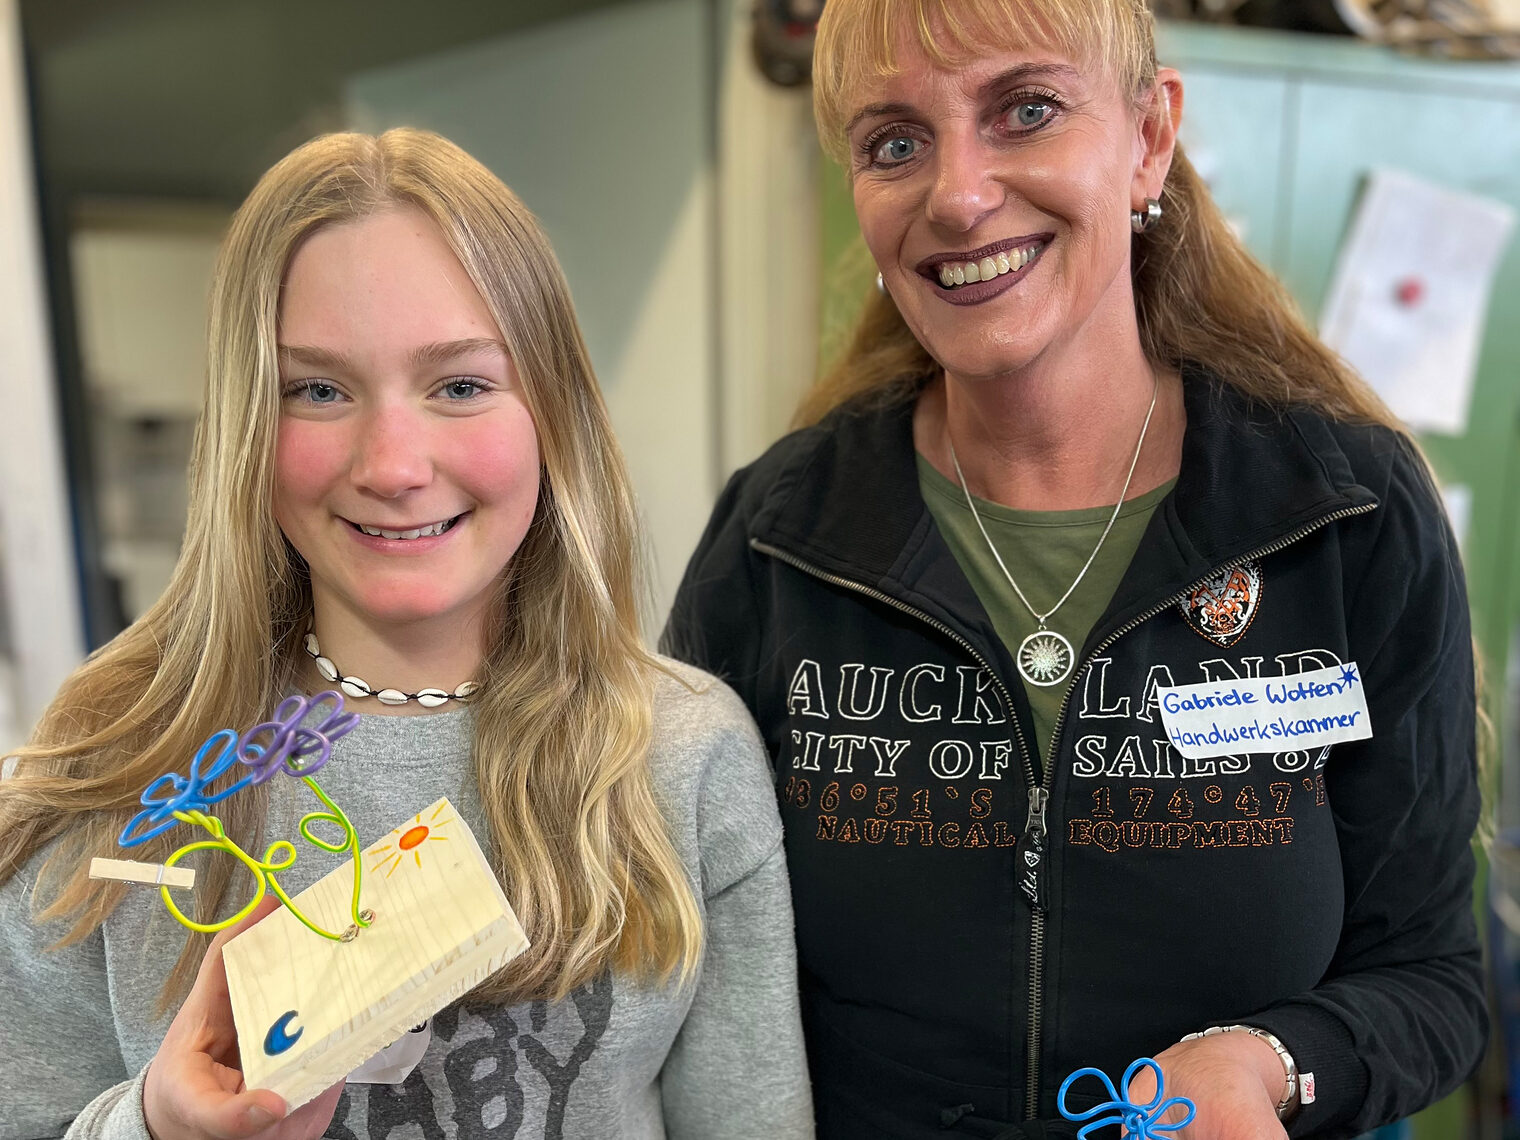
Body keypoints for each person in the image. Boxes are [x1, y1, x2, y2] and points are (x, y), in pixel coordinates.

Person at [663, 1, 1485, 1137]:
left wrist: (1275, 1063)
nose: (955, 194)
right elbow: (670, 957)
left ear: (1148, 137)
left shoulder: (1339, 514)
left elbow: (1433, 974)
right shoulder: (777, 537)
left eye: (1025, 110)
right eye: (893, 141)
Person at [0, 128, 813, 1140]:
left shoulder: (683, 755)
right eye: (318, 390)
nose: (392, 464)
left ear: (552, 410)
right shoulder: (113, 763)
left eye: (460, 385)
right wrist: (152, 1129)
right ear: (248, 418)